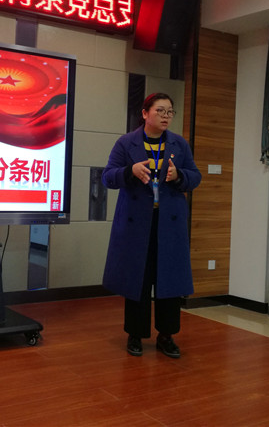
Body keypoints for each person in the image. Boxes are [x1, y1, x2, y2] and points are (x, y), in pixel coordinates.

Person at [102, 92, 201, 358]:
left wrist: (179, 175)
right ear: (145, 113)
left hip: (169, 224)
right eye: (160, 111)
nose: (166, 116)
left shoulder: (179, 144)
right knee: (139, 280)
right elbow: (107, 177)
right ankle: (135, 335)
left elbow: (195, 177)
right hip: (137, 224)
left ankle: (166, 336)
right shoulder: (126, 143)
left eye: (170, 112)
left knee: (169, 279)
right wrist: (129, 171)